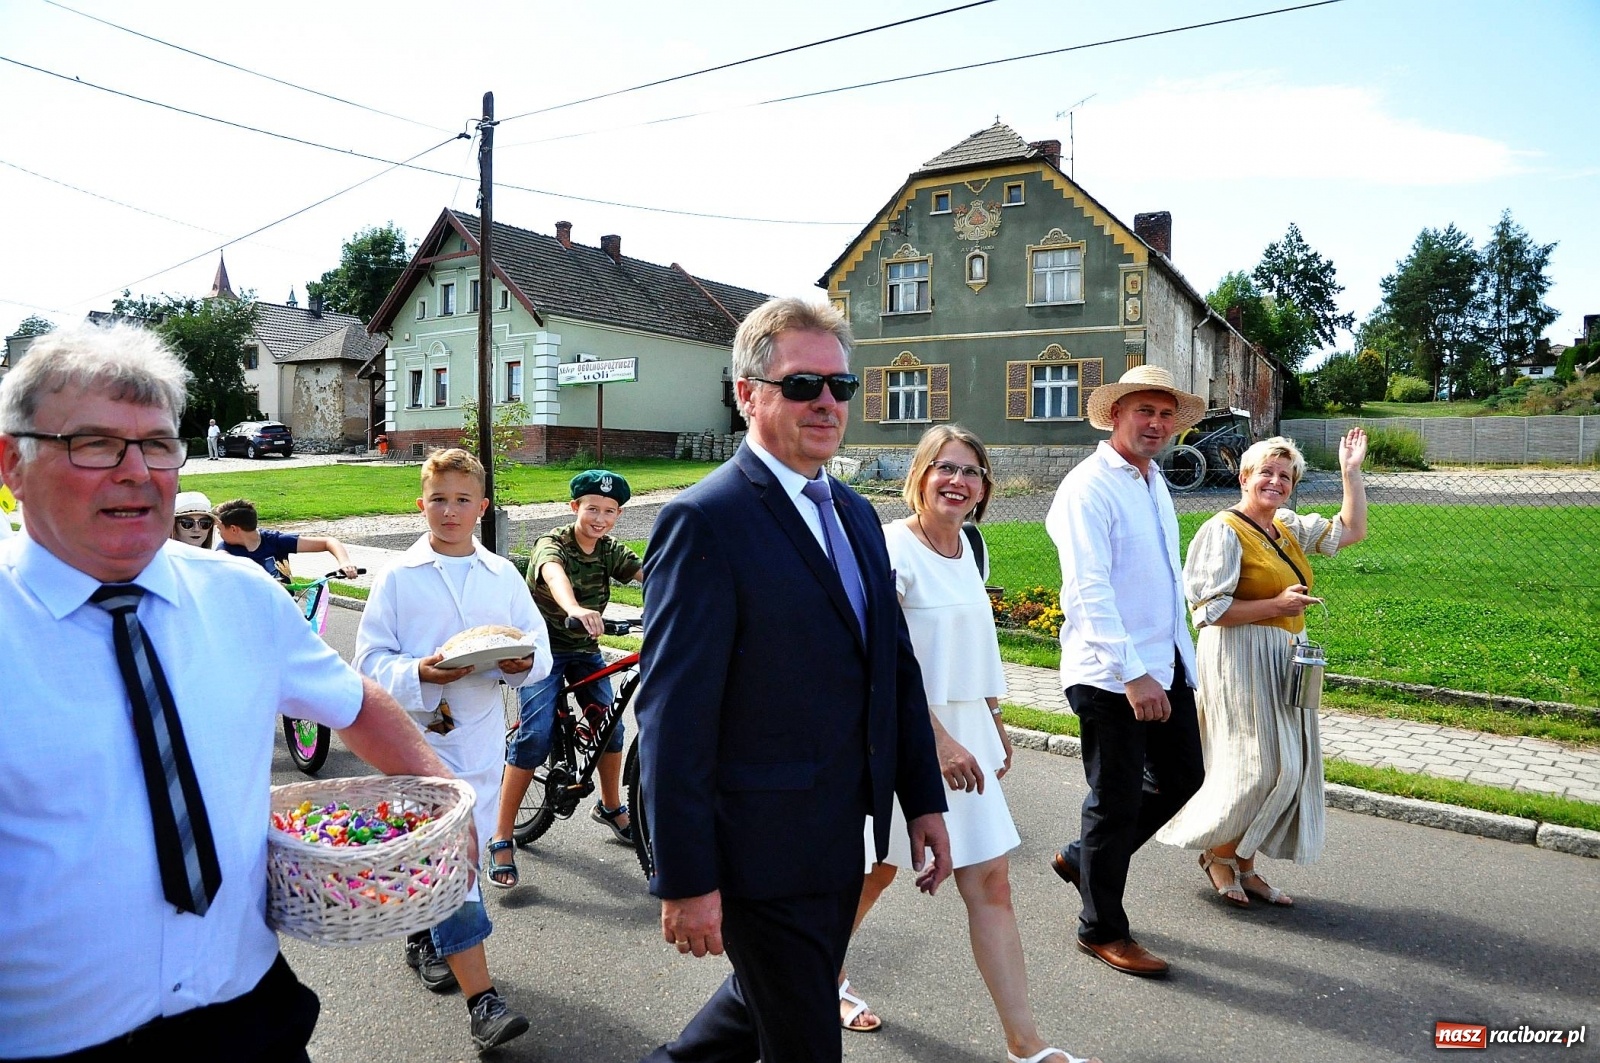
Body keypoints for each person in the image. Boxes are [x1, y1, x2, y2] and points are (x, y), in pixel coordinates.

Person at [0, 322, 454, 1060]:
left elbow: (358, 702)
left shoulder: (240, 592)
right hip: (49, 1040)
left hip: (250, 1016)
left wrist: (444, 802)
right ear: (10, 463)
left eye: (157, 443)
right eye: (93, 442)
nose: (137, 470)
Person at [635, 297, 952, 1063]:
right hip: (760, 850)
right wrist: (685, 879)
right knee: (805, 1036)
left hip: (840, 836)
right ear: (747, 393)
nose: (826, 403)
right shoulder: (704, 521)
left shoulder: (850, 508)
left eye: (841, 387)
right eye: (804, 383)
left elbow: (892, 668)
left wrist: (922, 798)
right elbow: (673, 720)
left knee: (762, 1000)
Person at [841, 425, 1102, 1063]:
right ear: (920, 477)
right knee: (873, 875)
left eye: (972, 472)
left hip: (967, 733)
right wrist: (937, 740)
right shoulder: (890, 550)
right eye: (945, 468)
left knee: (991, 882)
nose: (958, 482)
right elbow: (879, 662)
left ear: (984, 488)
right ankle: (808, 979)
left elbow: (971, 643)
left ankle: (1027, 1044)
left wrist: (992, 717)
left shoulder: (972, 547)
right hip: (905, 735)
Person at [353, 447, 551, 1052]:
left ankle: (424, 934)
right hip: (417, 741)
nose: (449, 510)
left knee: (447, 861)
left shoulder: (502, 575)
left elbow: (537, 650)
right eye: (438, 499)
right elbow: (366, 664)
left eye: (463, 500)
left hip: (482, 737)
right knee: (452, 859)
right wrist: (419, 672)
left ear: (483, 508)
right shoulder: (396, 578)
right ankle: (483, 1002)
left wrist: (520, 665)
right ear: (421, 503)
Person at [1156, 431, 1368, 907]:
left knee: (1290, 765)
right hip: (1238, 656)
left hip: (1288, 655)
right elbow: (1209, 611)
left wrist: (1350, 473)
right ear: (1244, 476)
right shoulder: (1223, 530)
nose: (1276, 482)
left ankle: (1244, 862)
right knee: (1257, 765)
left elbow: (1350, 530)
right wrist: (1275, 602)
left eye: (1285, 476)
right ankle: (1219, 853)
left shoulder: (1287, 526)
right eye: (1266, 473)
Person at [1045, 364, 1208, 979]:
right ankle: (1101, 928)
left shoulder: (1153, 480)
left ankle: (1080, 859)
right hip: (1109, 671)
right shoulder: (1087, 487)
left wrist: (1176, 666)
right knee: (1113, 802)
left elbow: (1163, 579)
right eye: (1144, 411)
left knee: (1184, 777)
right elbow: (1087, 591)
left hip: (1163, 663)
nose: (1157, 424)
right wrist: (1133, 674)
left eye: (1166, 415)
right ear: (1114, 415)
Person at [487, 469, 643, 887]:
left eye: (610, 511)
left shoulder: (609, 550)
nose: (600, 518)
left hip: (584, 649)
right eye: (592, 508)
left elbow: (648, 573)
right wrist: (573, 608)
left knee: (610, 729)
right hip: (540, 649)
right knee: (535, 737)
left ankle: (610, 807)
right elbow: (554, 575)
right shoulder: (551, 544)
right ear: (575, 507)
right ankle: (502, 833)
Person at [215, 497, 359, 583]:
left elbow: (329, 542)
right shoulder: (225, 548)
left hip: (284, 611)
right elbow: (220, 560)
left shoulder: (275, 540)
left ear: (234, 529)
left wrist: (345, 563)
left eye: (220, 529)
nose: (219, 534)